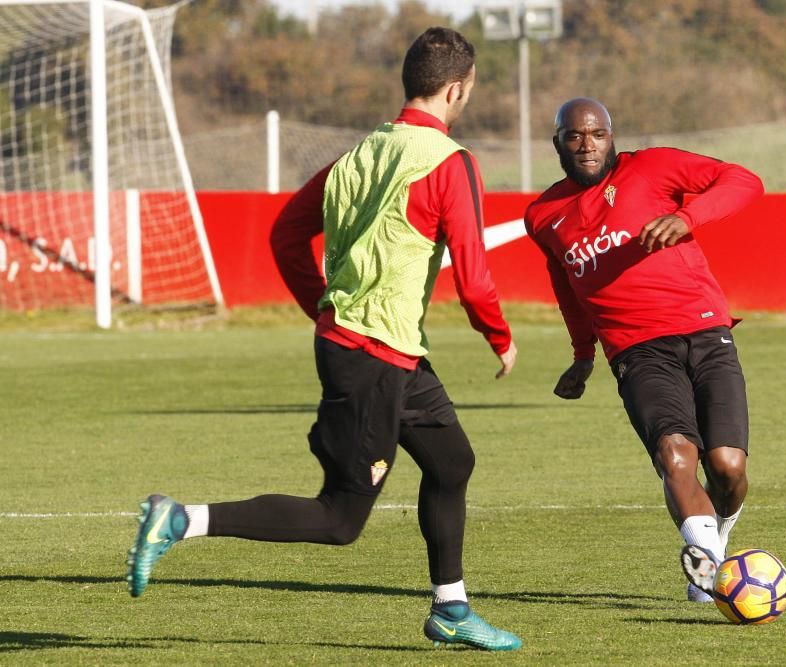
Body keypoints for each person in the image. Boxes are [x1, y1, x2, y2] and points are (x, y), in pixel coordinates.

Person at [126, 27, 522, 651]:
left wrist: (323, 306)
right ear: (457, 88)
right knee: (339, 519)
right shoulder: (450, 163)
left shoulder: (357, 155)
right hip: (372, 357)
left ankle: (451, 607)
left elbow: (286, 234)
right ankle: (181, 519)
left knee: (452, 463)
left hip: (383, 350)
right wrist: (500, 337)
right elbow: (474, 278)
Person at [523, 97, 764, 602]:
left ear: (612, 136)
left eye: (597, 134)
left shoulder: (652, 167)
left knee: (727, 467)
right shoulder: (543, 215)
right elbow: (568, 286)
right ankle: (713, 572)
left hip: (705, 331)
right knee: (675, 456)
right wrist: (582, 354)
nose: (587, 145)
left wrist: (688, 218)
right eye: (574, 136)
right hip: (635, 351)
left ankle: (719, 531)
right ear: (558, 143)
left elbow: (744, 181)